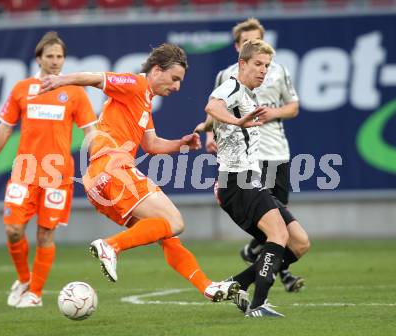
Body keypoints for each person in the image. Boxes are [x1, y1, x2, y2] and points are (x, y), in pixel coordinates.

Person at [40, 43, 240, 302]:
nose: (177, 86)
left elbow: (152, 145)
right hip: (113, 167)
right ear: (157, 70)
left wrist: (180, 143)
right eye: (174, 79)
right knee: (176, 222)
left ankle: (207, 287)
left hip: (97, 182)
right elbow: (96, 78)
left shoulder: (144, 102)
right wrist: (61, 80)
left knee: (166, 235)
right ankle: (110, 246)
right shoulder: (135, 84)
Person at [0, 32, 98, 308]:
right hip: (25, 171)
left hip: (57, 175)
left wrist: (100, 162)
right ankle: (23, 278)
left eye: (59, 57)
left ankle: (35, 294)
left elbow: (90, 131)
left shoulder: (76, 92)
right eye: (50, 56)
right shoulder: (22, 89)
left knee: (45, 234)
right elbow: (5, 127)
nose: (55, 62)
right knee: (13, 230)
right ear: (39, 59)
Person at [198, 39, 310, 317]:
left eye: (267, 66)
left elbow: (213, 116)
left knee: (299, 242)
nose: (263, 70)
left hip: (250, 180)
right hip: (237, 181)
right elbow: (213, 105)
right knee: (279, 234)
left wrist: (207, 129)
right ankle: (258, 305)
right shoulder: (232, 86)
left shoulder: (248, 95)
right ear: (242, 63)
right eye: (258, 64)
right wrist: (235, 122)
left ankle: (235, 284)